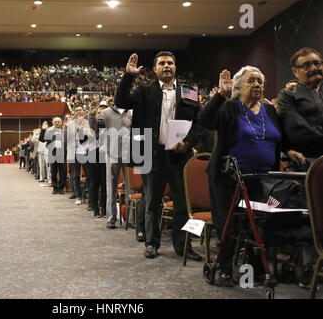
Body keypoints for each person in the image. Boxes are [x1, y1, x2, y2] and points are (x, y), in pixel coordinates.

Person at [198, 67, 305, 286]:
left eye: (260, 81)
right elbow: (205, 120)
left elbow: (277, 137)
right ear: (238, 87)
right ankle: (225, 267)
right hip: (228, 177)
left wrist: (289, 150)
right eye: (251, 81)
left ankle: (255, 268)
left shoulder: (269, 110)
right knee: (229, 224)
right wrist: (221, 94)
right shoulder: (230, 107)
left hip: (263, 178)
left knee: (259, 224)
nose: (257, 85)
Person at [114, 51, 203, 259]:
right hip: (151, 154)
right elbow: (120, 101)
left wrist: (189, 142)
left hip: (180, 156)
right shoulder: (144, 91)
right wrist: (128, 76)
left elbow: (200, 124)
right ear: (155, 69)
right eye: (162, 63)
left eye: (170, 63)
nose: (166, 66)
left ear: (175, 67)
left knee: (183, 203)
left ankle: (183, 246)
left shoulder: (189, 92)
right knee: (152, 201)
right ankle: (151, 243)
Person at [277, 47, 323, 161]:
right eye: (306, 65)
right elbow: (298, 131)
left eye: (317, 63)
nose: (313, 68)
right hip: (308, 162)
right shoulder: (287, 95)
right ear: (295, 71)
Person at [40, 117, 67, 195]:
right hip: (53, 153)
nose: (57, 123)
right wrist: (43, 130)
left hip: (63, 153)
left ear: (61, 122)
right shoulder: (49, 131)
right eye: (55, 122)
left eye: (58, 121)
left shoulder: (65, 130)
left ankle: (61, 188)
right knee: (53, 172)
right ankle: (55, 188)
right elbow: (42, 139)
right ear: (53, 123)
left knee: (63, 172)